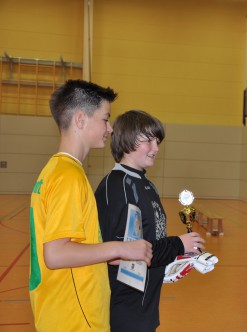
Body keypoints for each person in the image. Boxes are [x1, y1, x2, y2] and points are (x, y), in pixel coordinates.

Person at [29, 80, 153, 332]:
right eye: (105, 119)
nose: (110, 129)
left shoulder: (55, 171)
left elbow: (75, 245)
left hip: (62, 314)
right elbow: (56, 254)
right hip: (75, 319)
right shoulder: (69, 177)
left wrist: (113, 255)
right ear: (81, 119)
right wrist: (122, 247)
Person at [95, 110, 205, 332]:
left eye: (158, 141)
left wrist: (176, 260)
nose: (156, 148)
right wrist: (178, 244)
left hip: (146, 306)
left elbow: (147, 242)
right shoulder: (117, 187)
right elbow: (118, 254)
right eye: (148, 140)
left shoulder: (146, 185)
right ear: (126, 139)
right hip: (123, 310)